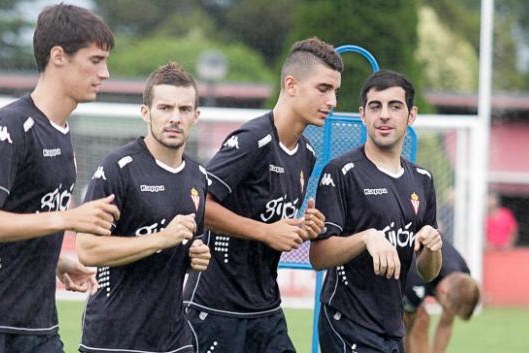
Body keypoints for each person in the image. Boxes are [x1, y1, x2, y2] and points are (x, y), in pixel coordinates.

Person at [0, 4, 119, 353]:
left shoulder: (62, 133)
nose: (105, 72)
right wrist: (66, 219)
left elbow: (22, 218)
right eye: (95, 60)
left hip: (38, 327)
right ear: (58, 56)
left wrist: (55, 261)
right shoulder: (12, 126)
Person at [183, 37, 340, 353]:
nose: (333, 100)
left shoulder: (307, 153)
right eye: (323, 89)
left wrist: (301, 228)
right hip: (216, 310)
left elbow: (270, 220)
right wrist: (266, 232)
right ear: (291, 85)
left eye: (335, 91)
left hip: (266, 309)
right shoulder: (252, 140)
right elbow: (199, 205)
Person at [76, 62, 211, 353]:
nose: (175, 118)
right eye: (165, 108)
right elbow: (88, 250)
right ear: (145, 113)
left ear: (196, 116)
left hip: (173, 339)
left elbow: (184, 246)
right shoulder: (118, 169)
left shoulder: (198, 176)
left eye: (184, 110)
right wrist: (161, 238)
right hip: (114, 339)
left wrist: (193, 256)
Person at [310, 69, 443, 353]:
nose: (384, 115)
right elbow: (318, 256)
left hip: (393, 327)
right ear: (363, 115)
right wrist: (365, 238)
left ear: (411, 115)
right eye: (375, 107)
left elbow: (428, 272)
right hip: (347, 322)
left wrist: (433, 248)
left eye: (395, 107)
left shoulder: (423, 180)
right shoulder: (341, 172)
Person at [402, 241, 480, 353]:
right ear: (444, 292)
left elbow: (446, 324)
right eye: (445, 307)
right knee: (419, 319)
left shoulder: (461, 281)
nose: (448, 312)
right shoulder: (416, 278)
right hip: (395, 262)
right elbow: (403, 329)